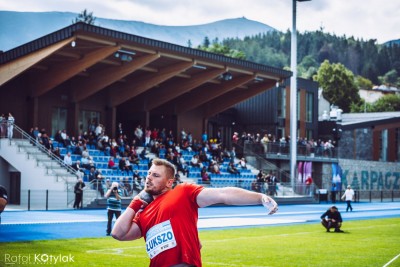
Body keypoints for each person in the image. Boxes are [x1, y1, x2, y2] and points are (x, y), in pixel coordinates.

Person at [112, 158, 278, 266]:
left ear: (169, 182)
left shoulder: (182, 192)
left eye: (155, 175)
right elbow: (118, 234)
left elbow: (223, 194)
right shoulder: (143, 212)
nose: (149, 177)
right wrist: (134, 204)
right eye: (148, 173)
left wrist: (260, 197)